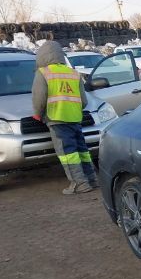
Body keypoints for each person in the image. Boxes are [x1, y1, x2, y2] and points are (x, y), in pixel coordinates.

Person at [31, 41, 99, 194]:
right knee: (82, 150)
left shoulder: (43, 73)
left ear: (41, 56)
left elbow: (39, 98)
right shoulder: (73, 73)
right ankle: (92, 180)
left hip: (57, 119)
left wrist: (37, 114)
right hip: (75, 118)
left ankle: (79, 184)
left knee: (68, 153)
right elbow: (84, 101)